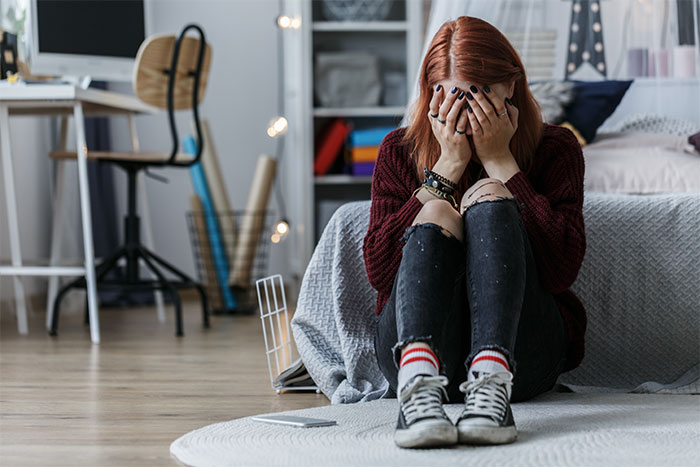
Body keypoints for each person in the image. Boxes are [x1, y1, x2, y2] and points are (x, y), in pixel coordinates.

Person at [363, 16, 587, 449]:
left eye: (478, 94)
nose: (463, 110)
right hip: (420, 353)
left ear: (510, 86)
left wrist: (502, 163)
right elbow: (379, 271)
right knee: (437, 215)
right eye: (449, 95)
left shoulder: (556, 148)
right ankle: (417, 386)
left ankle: (491, 380)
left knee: (488, 194)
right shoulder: (399, 149)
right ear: (430, 97)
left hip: (522, 357)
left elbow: (561, 270)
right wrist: (444, 171)